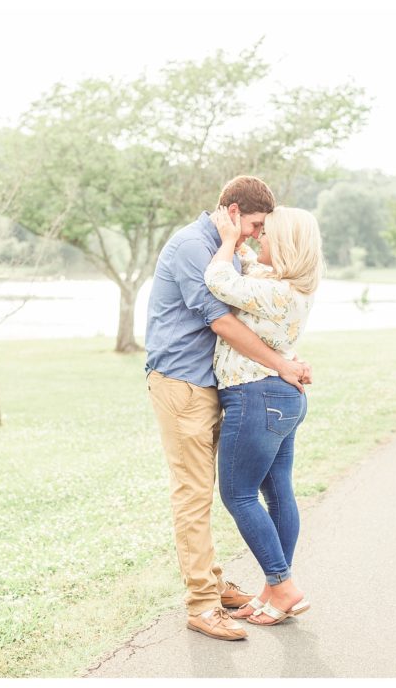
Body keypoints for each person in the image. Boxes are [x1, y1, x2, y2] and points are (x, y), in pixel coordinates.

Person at [145, 176, 313, 642]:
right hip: (183, 384)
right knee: (195, 494)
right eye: (257, 224)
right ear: (234, 210)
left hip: (215, 386)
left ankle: (216, 585)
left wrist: (286, 356)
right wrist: (282, 364)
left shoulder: (228, 247)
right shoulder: (191, 247)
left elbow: (259, 307)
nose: (260, 234)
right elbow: (219, 319)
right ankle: (202, 604)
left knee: (223, 490)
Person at [203, 204, 324, 626]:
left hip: (255, 397)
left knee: (237, 494)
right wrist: (241, 243)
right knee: (278, 494)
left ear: (287, 245)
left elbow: (218, 279)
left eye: (265, 234)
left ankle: (283, 584)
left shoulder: (276, 292)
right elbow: (251, 270)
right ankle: (275, 590)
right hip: (281, 398)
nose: (258, 239)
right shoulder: (284, 285)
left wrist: (226, 242)